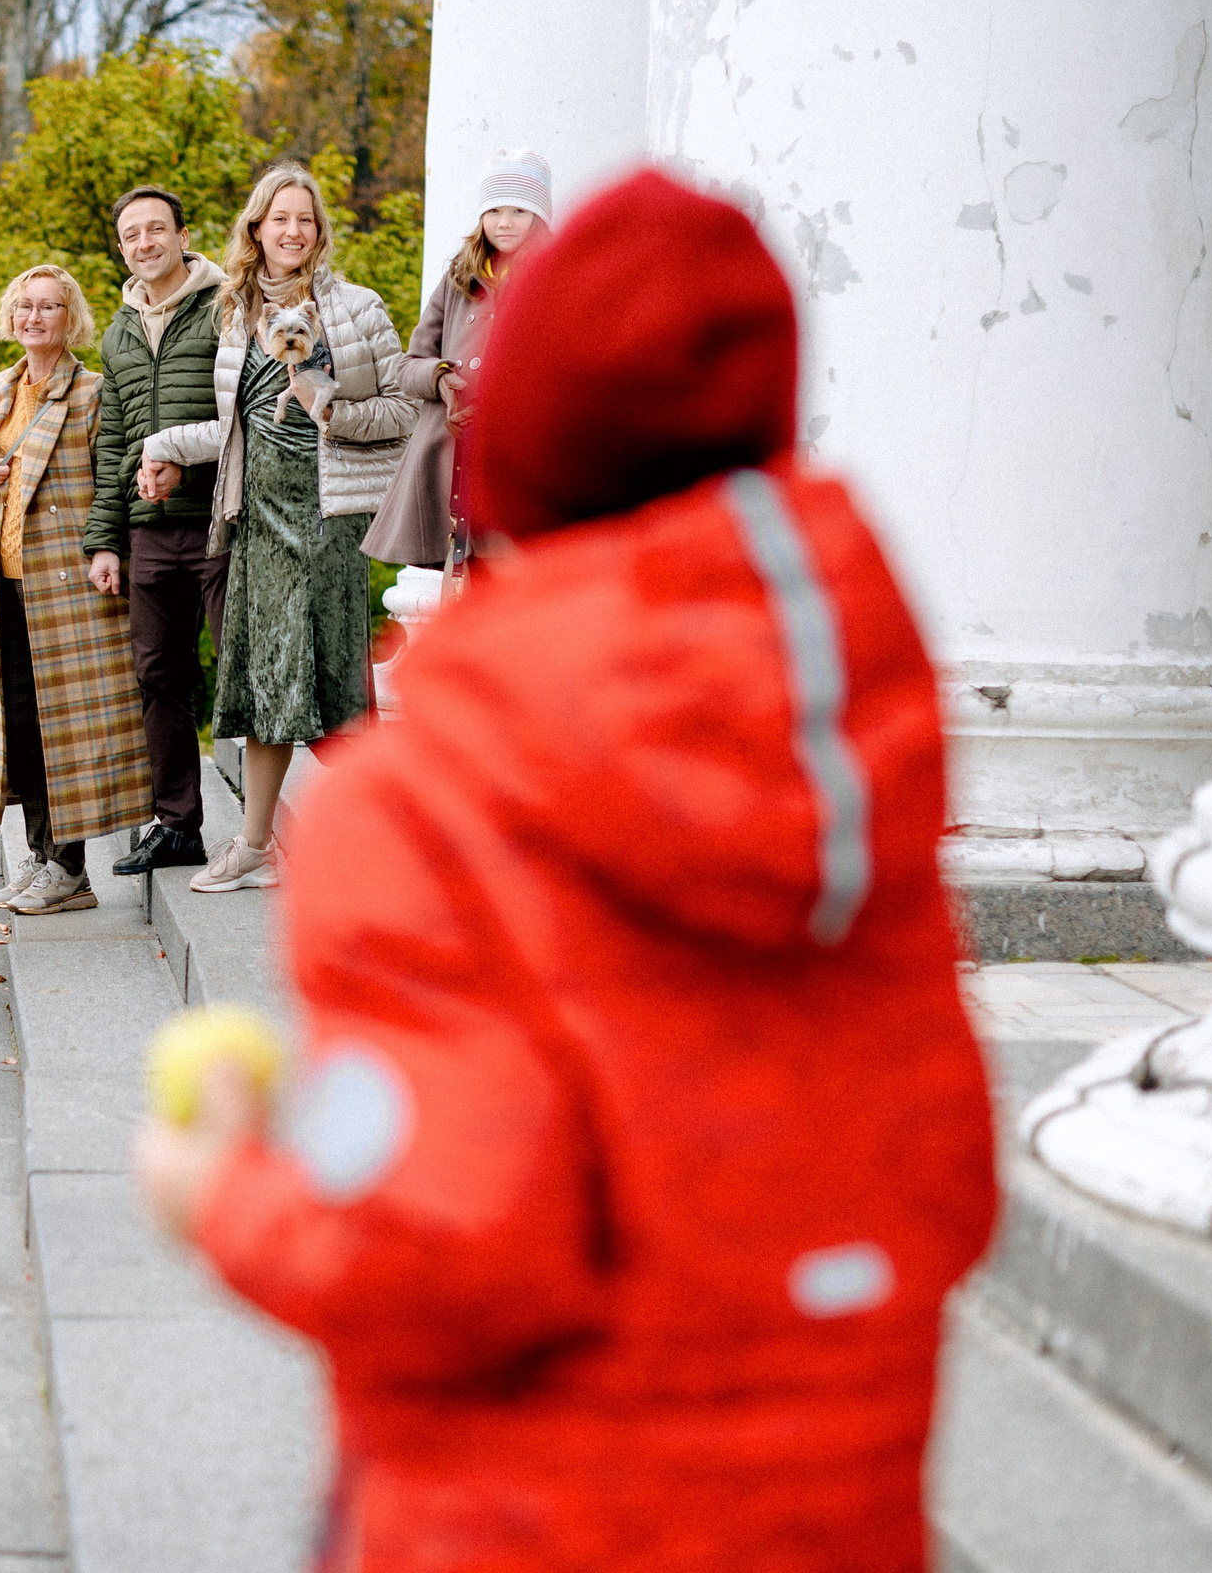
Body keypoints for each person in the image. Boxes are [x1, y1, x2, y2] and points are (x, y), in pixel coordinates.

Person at [134, 170, 998, 1570]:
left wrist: (220, 1188)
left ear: (524, 444)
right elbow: (938, 1181)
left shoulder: (424, 809)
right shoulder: (859, 781)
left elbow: (440, 1248)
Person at [136, 162, 418, 894]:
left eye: (306, 220)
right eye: (280, 218)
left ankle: (397, 839)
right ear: (255, 229)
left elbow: (406, 413)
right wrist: (163, 446)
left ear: (319, 233)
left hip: (327, 527)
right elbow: (235, 428)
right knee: (266, 690)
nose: (293, 231)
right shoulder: (233, 315)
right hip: (255, 527)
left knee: (333, 695)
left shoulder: (356, 309)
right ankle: (258, 846)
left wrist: (330, 407)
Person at [0, 265, 153, 915]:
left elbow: (116, 483)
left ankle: (70, 870)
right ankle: (40, 855)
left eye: (49, 307)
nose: (34, 317)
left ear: (72, 319)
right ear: (11, 316)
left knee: (63, 725)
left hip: (67, 583)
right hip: (4, 579)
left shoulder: (91, 392)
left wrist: (107, 550)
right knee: (23, 726)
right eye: (24, 306)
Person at [83, 186, 228, 877]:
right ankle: (177, 825)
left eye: (156, 230)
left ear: (183, 234)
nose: (145, 243)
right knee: (157, 676)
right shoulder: (117, 331)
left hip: (223, 521)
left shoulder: (227, 306)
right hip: (148, 533)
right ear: (122, 247)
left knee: (243, 667)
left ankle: (267, 828)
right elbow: (113, 438)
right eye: (131, 234)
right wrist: (106, 537)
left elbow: (247, 414)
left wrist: (180, 464)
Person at [364, 149, 554, 572]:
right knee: (462, 592)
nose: (504, 222)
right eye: (494, 210)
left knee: (511, 590)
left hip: (511, 465)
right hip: (449, 461)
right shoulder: (458, 275)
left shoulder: (555, 278)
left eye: (519, 210)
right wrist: (441, 380)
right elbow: (408, 365)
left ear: (540, 216)